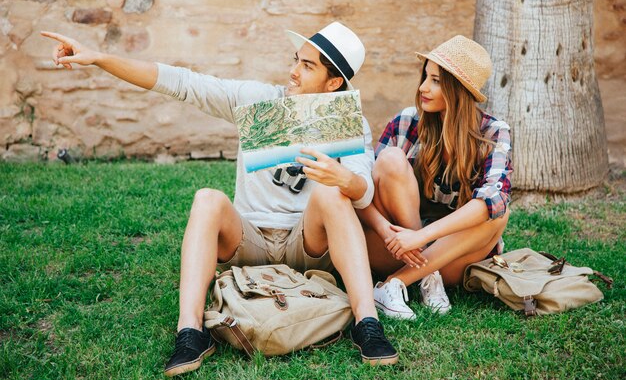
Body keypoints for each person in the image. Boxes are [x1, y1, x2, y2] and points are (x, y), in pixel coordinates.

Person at [41, 22, 399, 376]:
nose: (293, 72)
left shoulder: (349, 120)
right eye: (296, 60)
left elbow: (364, 189)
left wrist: (343, 178)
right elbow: (181, 83)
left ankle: (367, 324)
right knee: (207, 198)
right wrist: (100, 58)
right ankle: (191, 332)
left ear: (333, 82)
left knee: (333, 194)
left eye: (307, 67)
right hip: (248, 239)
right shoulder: (258, 100)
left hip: (306, 241)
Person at [358, 35, 512, 319]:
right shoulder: (406, 122)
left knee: (497, 212)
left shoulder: (493, 132)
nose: (423, 88)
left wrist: (420, 238)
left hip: (452, 254)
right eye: (425, 77)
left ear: (459, 90)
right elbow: (364, 193)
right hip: (395, 247)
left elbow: (495, 199)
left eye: (436, 81)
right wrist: (404, 237)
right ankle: (427, 278)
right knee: (390, 159)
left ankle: (397, 283)